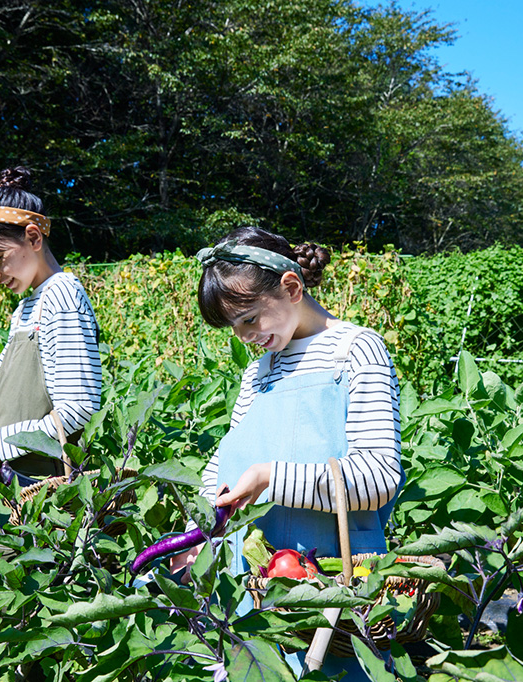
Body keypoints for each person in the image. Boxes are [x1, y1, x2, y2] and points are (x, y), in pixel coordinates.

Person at [169, 226, 405, 679]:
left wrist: (269, 478)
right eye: (234, 328)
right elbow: (226, 459)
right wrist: (197, 525)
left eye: (250, 319)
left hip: (327, 587)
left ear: (291, 287)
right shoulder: (257, 372)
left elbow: (378, 477)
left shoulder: (356, 350)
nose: (245, 336)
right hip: (256, 583)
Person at [0, 166, 102, 486]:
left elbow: (80, 407)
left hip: (39, 482)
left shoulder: (63, 296)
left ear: (33, 237)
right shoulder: (28, 306)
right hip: (12, 474)